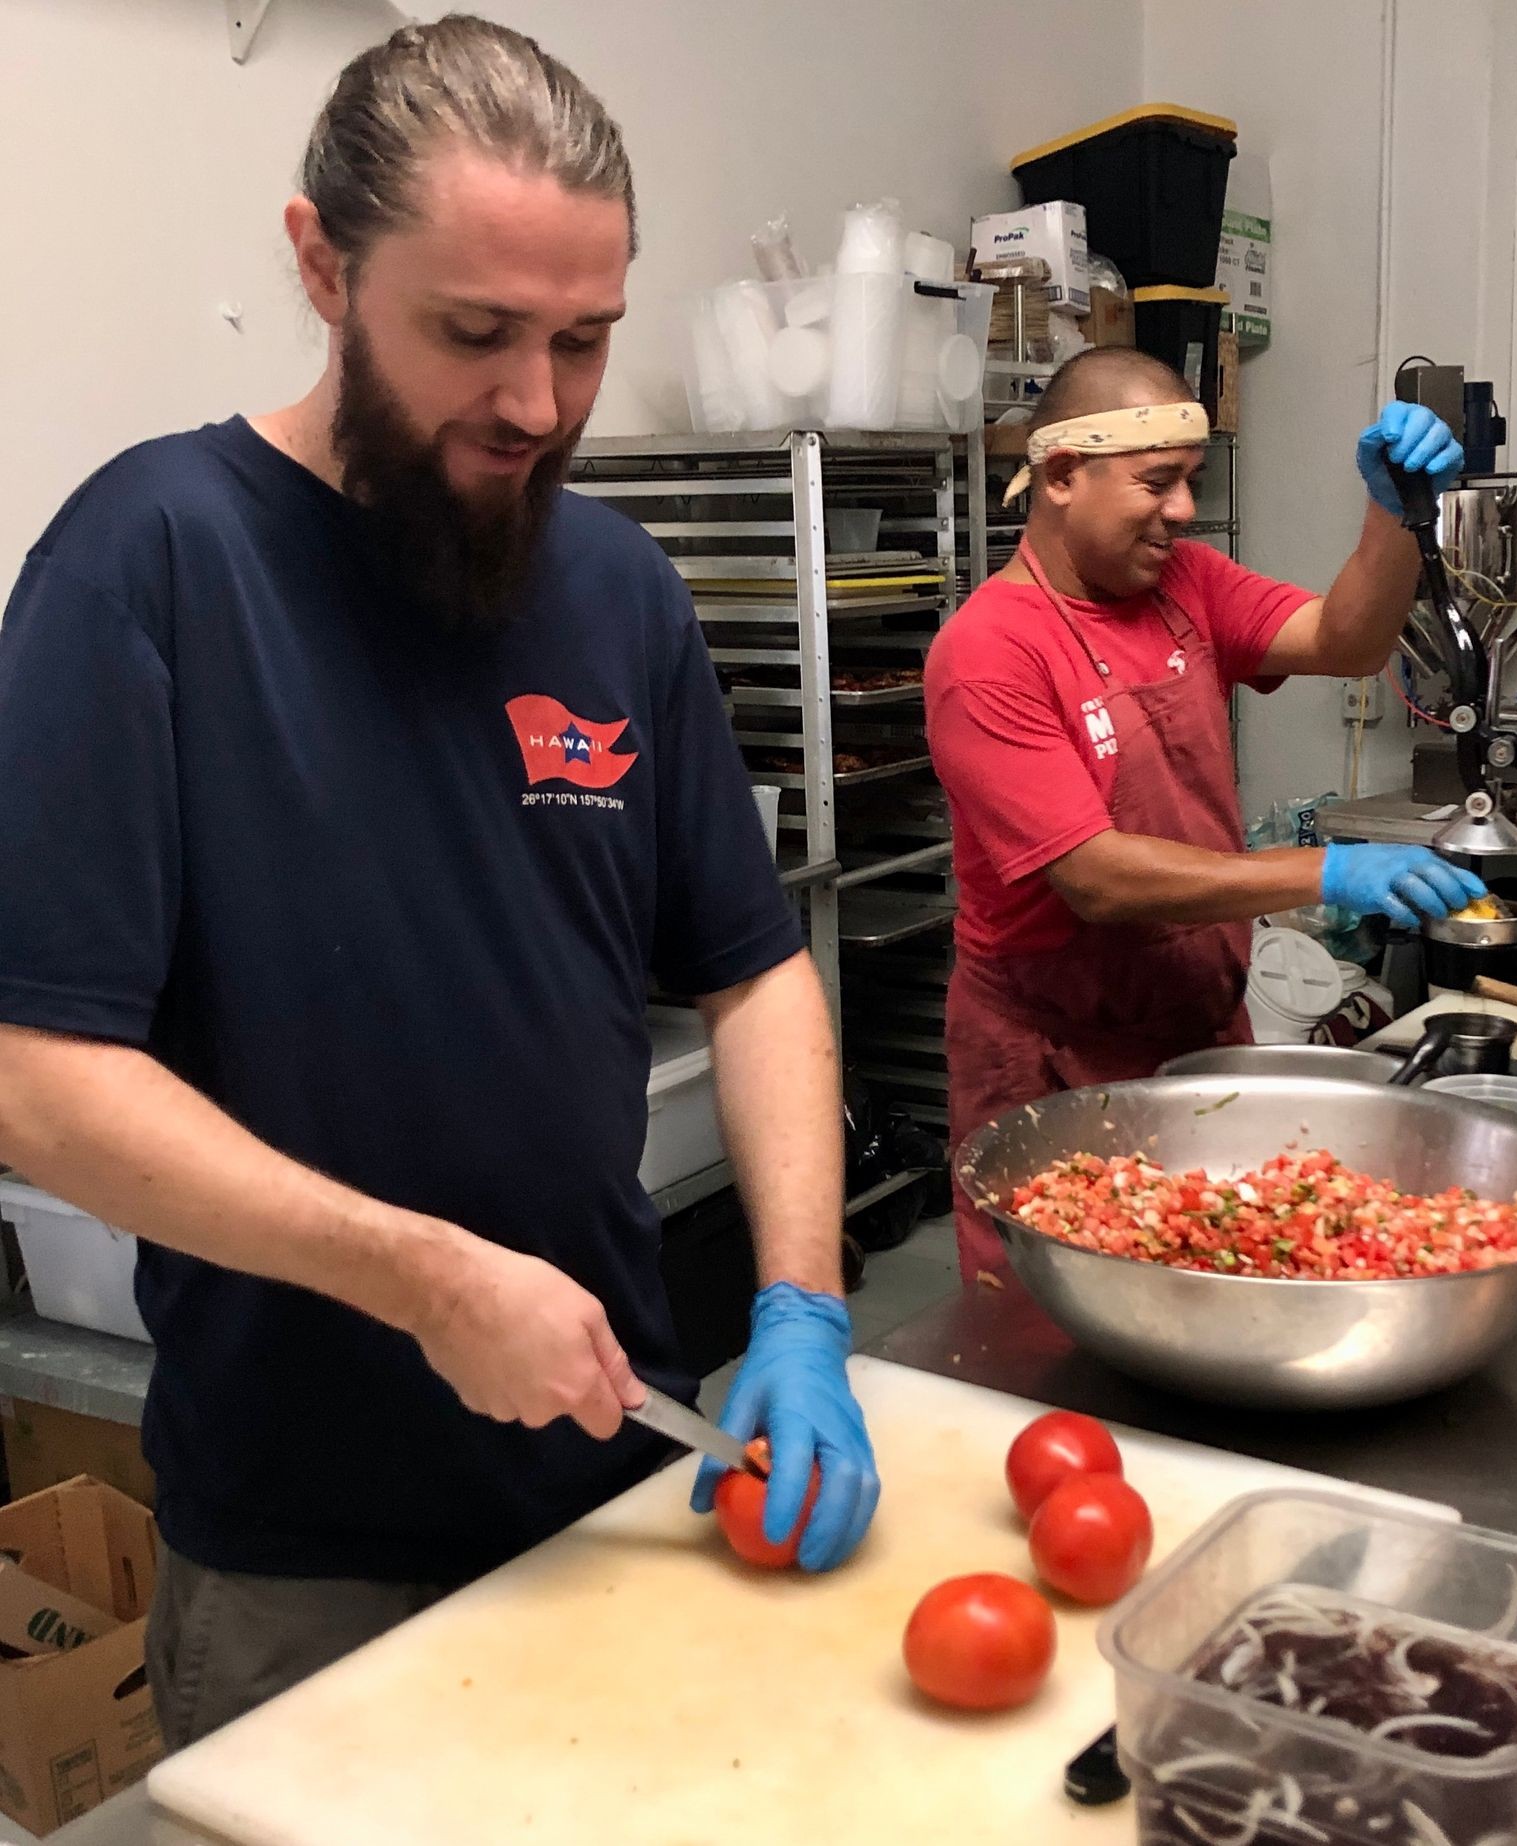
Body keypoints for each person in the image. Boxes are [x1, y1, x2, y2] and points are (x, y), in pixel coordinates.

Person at [0, 16, 877, 1749]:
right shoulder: (151, 563)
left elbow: (755, 968)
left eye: (584, 341)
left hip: (619, 1480)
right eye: (474, 335)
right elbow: (37, 1079)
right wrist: (423, 1279)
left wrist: (804, 1298)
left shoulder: (624, 593)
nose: (538, 407)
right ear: (322, 262)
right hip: (302, 1567)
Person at [926, 349, 1486, 1278]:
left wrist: (1395, 517)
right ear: (1063, 475)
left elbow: (1346, 642)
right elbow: (1096, 878)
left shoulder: (1185, 584)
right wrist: (1326, 871)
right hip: (1055, 1055)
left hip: (1197, 1024)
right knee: (1047, 1320)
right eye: (1158, 483)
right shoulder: (989, 652)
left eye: (1190, 482)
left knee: (1206, 1275)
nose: (1183, 511)